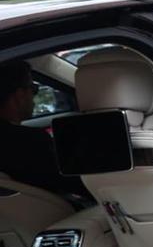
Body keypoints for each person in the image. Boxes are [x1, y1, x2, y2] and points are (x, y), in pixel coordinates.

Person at [0, 61, 87, 199]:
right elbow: (74, 184)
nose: (33, 96)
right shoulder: (30, 141)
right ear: (19, 95)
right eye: (33, 88)